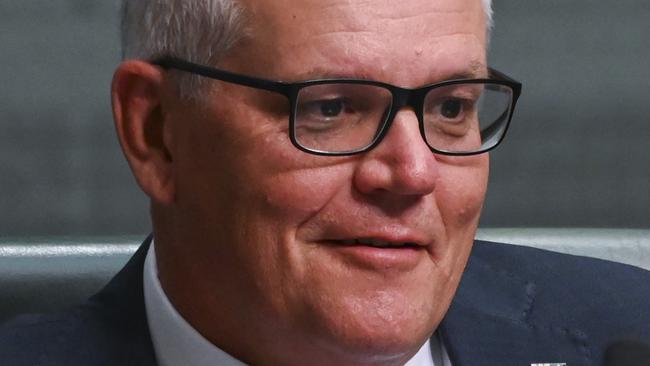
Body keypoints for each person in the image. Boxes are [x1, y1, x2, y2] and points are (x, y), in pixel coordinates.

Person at [1, 0, 649, 365]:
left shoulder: (630, 334)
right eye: (330, 108)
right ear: (158, 132)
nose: (412, 173)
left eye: (450, 108)